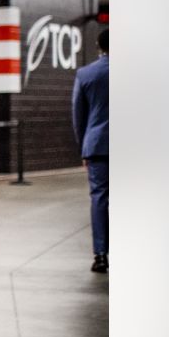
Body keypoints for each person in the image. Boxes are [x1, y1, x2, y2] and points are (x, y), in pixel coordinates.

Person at [72, 27, 109, 273]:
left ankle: (101, 255)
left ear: (98, 46)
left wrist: (84, 147)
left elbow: (78, 115)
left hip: (97, 145)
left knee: (100, 198)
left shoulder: (86, 74)